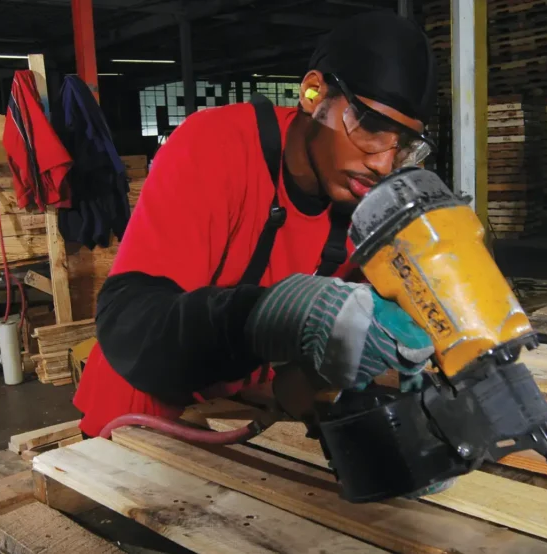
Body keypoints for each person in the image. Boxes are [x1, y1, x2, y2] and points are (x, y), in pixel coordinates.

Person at [73, 12, 439, 438]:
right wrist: (271, 316)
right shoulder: (214, 146)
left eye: (404, 145)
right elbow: (132, 326)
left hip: (239, 415)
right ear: (313, 92)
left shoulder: (368, 204)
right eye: (370, 126)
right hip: (138, 421)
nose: (383, 163)